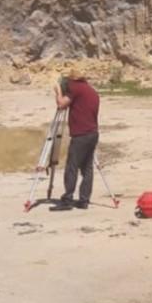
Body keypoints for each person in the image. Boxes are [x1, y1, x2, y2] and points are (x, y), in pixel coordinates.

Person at [50, 68, 100, 211]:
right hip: (92, 133)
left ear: (72, 79)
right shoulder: (91, 90)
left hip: (81, 134)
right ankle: (84, 200)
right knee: (87, 168)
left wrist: (58, 91)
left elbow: (61, 105)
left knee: (72, 167)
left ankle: (67, 199)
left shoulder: (76, 88)